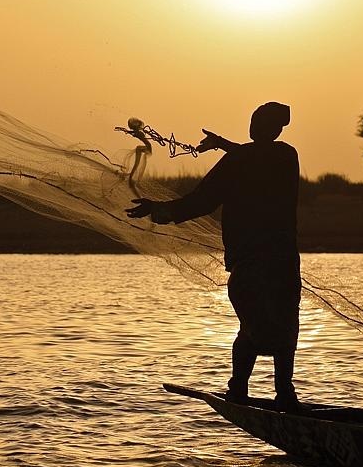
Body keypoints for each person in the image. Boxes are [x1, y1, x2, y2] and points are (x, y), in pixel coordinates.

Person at [126, 102, 301, 409]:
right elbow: (255, 160)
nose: (251, 126)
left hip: (253, 268)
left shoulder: (249, 160)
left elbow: (201, 201)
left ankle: (242, 393)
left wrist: (159, 209)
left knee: (252, 330)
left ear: (268, 128)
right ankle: (282, 394)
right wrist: (225, 147)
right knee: (283, 329)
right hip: (283, 265)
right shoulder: (285, 157)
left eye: (256, 122)